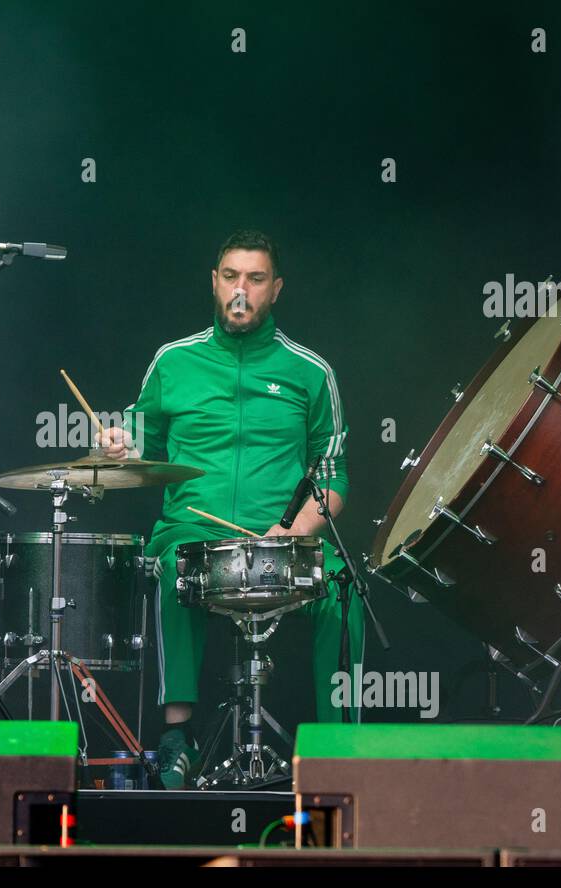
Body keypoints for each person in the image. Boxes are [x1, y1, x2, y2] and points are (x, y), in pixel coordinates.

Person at [99, 229, 364, 788]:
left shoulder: (310, 372)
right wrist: (120, 443)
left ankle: (341, 749)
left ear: (276, 289)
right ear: (214, 283)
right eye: (230, 277)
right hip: (193, 533)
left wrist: (293, 529)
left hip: (286, 539)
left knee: (342, 591)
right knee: (171, 567)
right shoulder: (173, 361)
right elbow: (136, 435)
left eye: (255, 278)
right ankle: (177, 737)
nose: (240, 290)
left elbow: (333, 478)